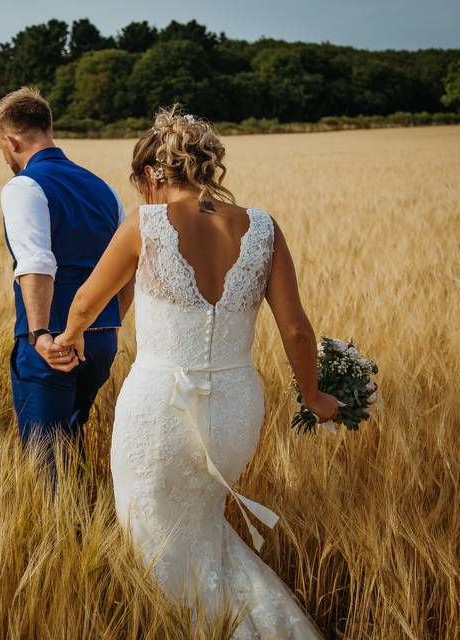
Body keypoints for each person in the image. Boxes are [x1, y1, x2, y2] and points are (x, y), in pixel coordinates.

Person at [52, 104, 336, 638]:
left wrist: (66, 339)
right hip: (234, 407)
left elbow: (89, 301)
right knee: (200, 528)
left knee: (153, 533)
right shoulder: (263, 228)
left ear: (155, 174)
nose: (142, 194)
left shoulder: (146, 225)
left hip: (160, 407)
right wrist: (315, 397)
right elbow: (296, 330)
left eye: (142, 182)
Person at [0, 87, 133, 491]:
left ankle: (64, 539)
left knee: (46, 463)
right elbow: (127, 269)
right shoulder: (103, 188)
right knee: (71, 443)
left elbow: (35, 263)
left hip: (51, 344)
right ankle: (84, 528)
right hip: (100, 344)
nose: (3, 154)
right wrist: (107, 324)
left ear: (12, 140)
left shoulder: (24, 186)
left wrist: (40, 335)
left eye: (1, 145)